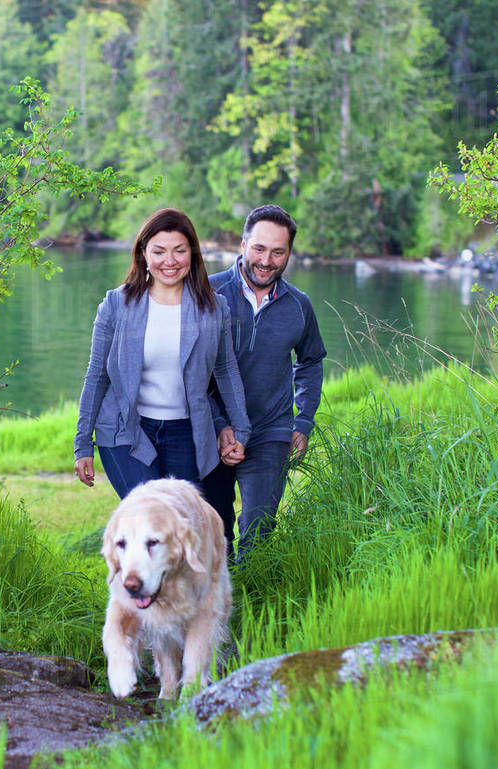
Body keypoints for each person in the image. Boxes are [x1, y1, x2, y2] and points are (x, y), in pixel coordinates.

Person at [74, 208, 251, 499]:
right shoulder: (116, 304)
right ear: (143, 253)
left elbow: (226, 371)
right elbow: (97, 375)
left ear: (192, 254)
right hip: (125, 428)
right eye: (159, 251)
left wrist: (241, 431)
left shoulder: (213, 308)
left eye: (179, 251)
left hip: (186, 432)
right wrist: (82, 444)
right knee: (150, 511)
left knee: (179, 522)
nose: (169, 261)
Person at [204, 204, 326, 559]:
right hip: (212, 431)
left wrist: (302, 421)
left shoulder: (298, 306)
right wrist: (219, 424)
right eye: (259, 248)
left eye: (278, 251)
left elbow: (311, 361)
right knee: (215, 531)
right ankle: (217, 605)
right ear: (242, 244)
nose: (266, 260)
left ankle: (253, 600)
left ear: (289, 253)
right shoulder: (207, 294)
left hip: (271, 432)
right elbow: (188, 369)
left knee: (258, 532)